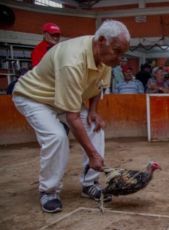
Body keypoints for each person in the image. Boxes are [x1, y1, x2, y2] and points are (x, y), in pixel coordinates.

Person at [12, 20, 130, 213]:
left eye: (122, 53)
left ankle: (89, 183)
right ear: (101, 41)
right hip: (34, 97)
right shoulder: (72, 60)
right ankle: (48, 191)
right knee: (56, 137)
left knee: (94, 126)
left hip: (60, 98)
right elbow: (72, 117)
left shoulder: (106, 58)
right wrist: (93, 155)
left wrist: (93, 111)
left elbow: (97, 87)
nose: (119, 59)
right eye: (117, 51)